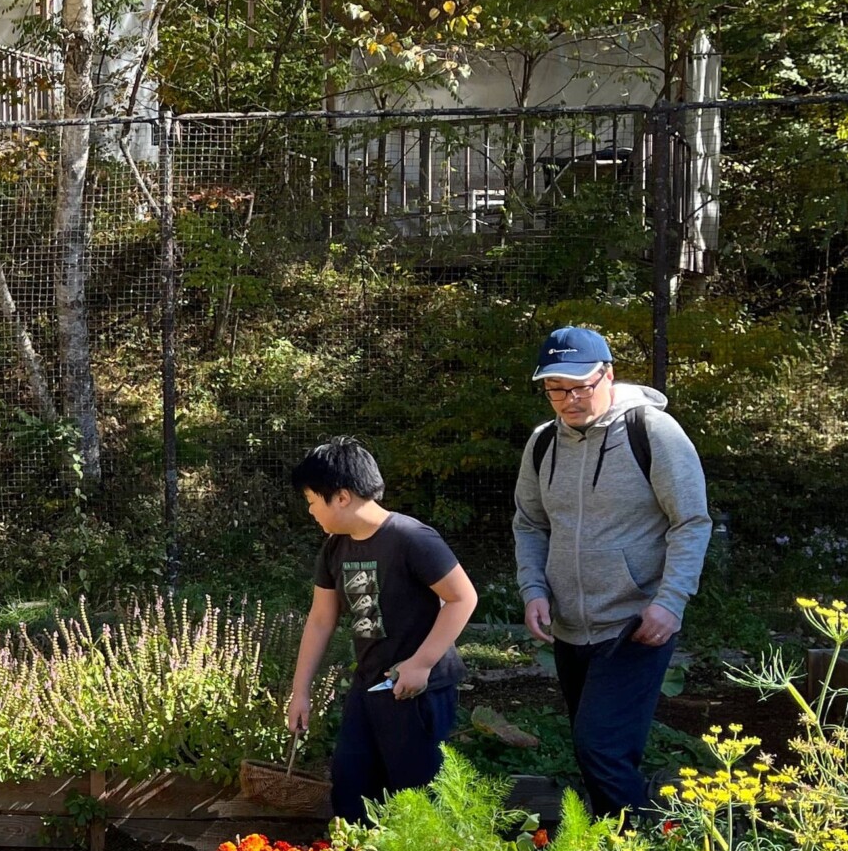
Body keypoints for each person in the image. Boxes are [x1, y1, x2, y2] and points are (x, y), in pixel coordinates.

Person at [512, 325, 711, 819]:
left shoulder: (652, 432)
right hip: (570, 628)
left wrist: (670, 602)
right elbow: (529, 523)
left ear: (608, 374)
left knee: (600, 746)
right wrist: (533, 588)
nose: (569, 399)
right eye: (556, 389)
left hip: (635, 625)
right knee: (596, 751)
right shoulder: (542, 444)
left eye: (580, 386)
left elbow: (691, 521)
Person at [284, 437, 479, 824]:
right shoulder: (334, 549)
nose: (310, 511)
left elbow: (463, 598)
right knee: (351, 788)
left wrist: (421, 664)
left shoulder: (411, 538)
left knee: (417, 799)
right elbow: (321, 619)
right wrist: (300, 691)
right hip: (369, 685)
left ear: (341, 497)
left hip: (418, 690)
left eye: (311, 500)